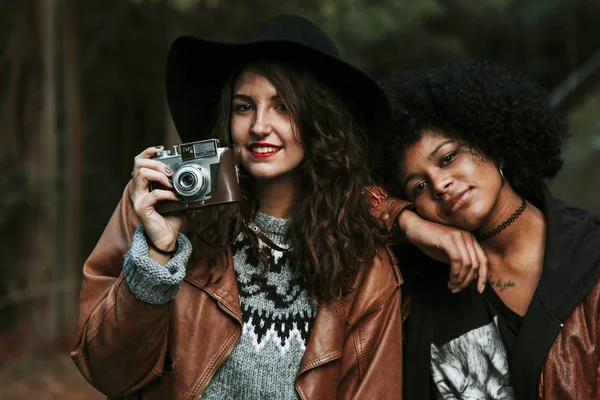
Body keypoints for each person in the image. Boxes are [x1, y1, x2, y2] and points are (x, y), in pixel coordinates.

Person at [71, 14, 409, 400]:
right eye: (244, 107)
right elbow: (109, 373)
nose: (260, 126)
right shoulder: (163, 212)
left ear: (320, 121)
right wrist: (158, 256)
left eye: (283, 107)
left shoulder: (366, 265)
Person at [378, 60, 600, 399]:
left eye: (448, 158)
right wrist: (404, 222)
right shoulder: (416, 283)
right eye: (418, 187)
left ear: (491, 144)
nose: (439, 184)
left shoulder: (590, 254)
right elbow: (326, 203)